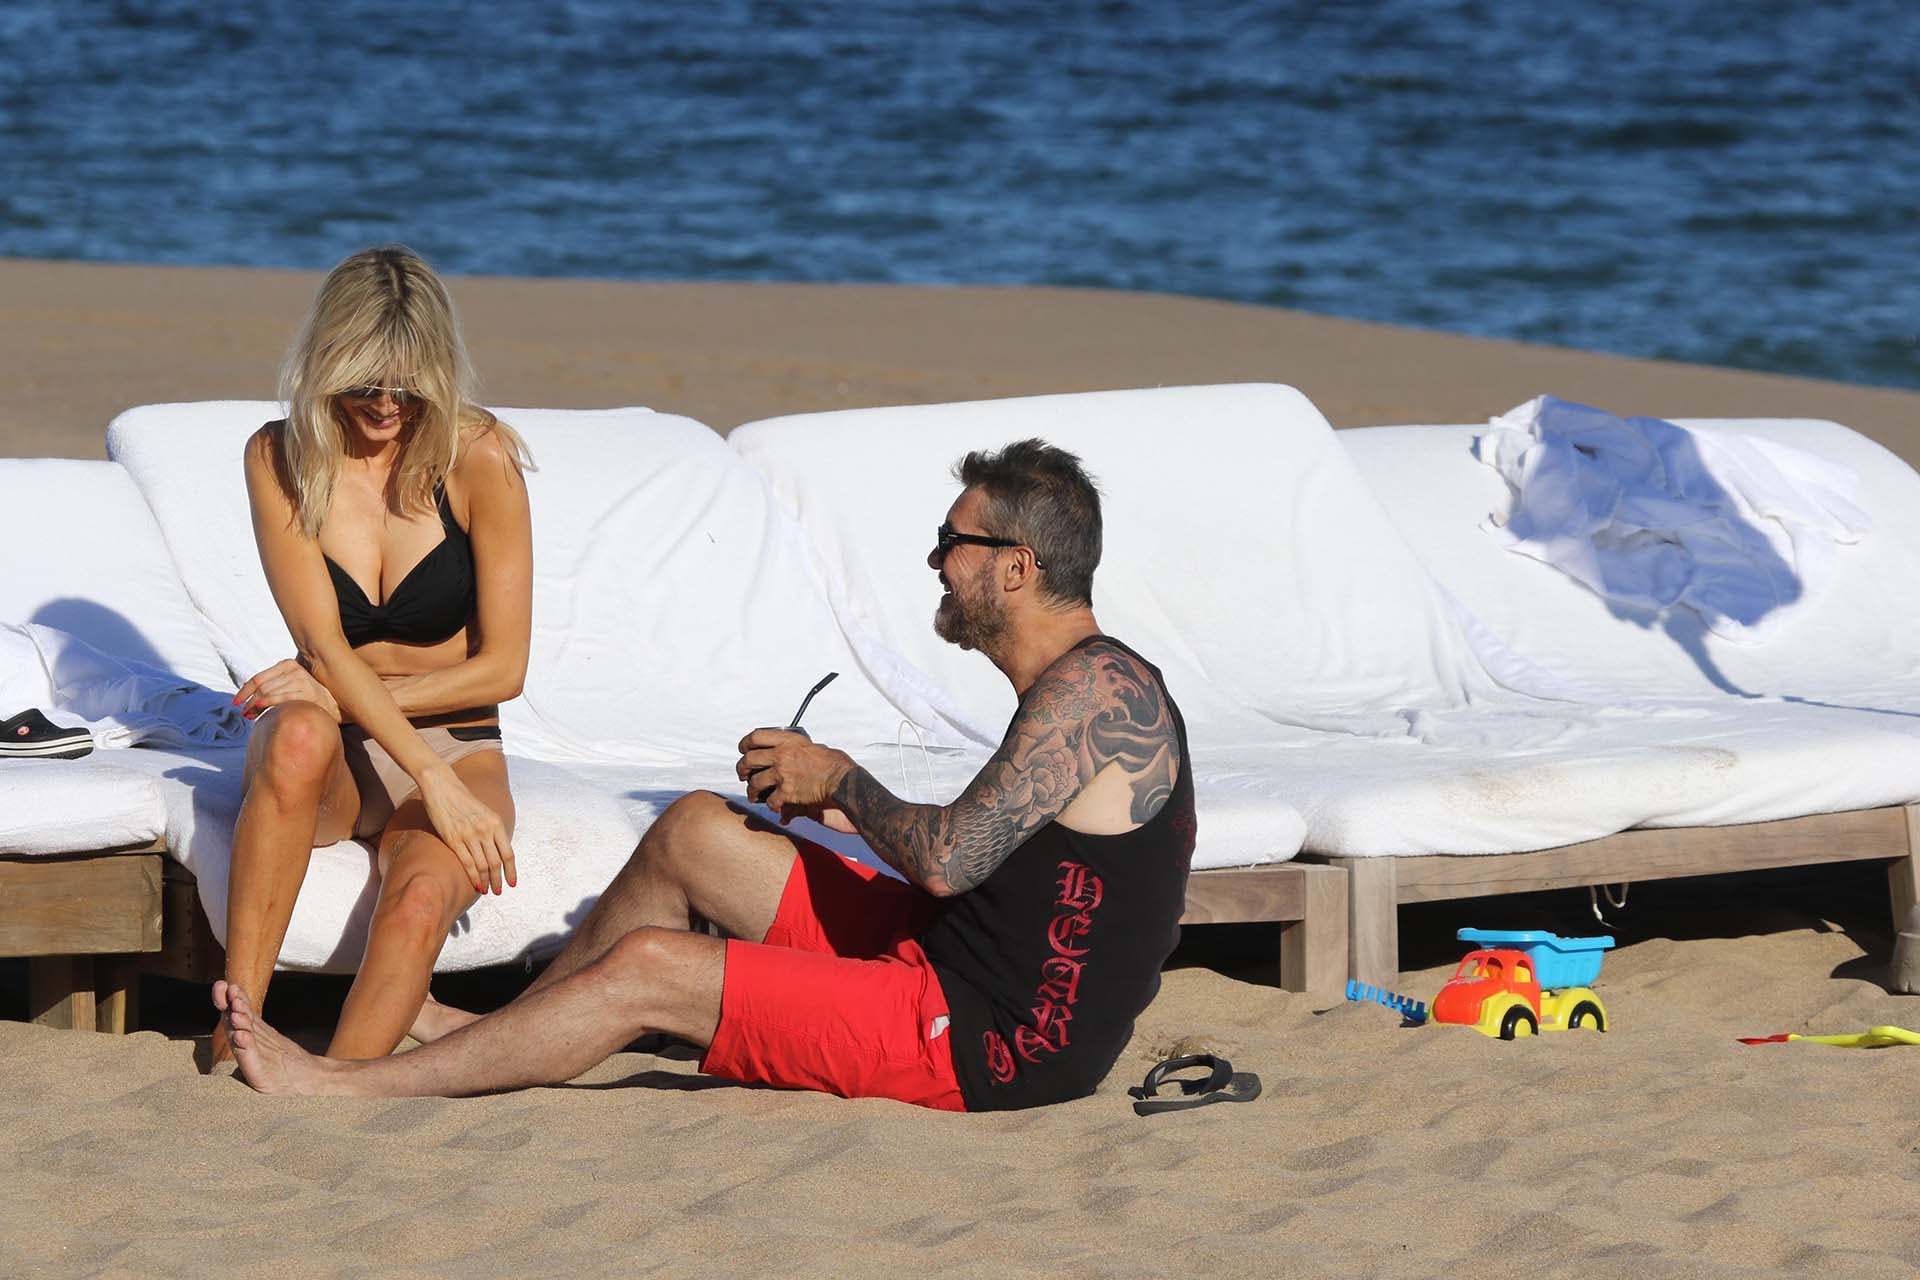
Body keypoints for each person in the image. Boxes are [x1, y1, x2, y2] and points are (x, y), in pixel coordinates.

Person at [218, 439, 1196, 1112]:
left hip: (989, 1039)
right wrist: (843, 810)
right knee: (694, 829)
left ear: (1016, 566)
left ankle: (346, 1087)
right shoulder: (1086, 686)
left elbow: (948, 858)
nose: (937, 561)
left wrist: (843, 780)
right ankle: (511, 1034)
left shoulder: (1093, 696)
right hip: (947, 953)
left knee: (649, 968)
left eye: (956, 542)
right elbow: (993, 853)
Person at [210, 245, 535, 1067]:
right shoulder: (279, 457)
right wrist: (422, 775)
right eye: (363, 384)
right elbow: (321, 641)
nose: (387, 405)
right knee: (293, 734)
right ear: (327, 367)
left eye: (408, 385)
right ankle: (237, 1020)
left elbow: (505, 671)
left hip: (459, 737)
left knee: (422, 893)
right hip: (347, 759)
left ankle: (337, 1083)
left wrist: (342, 694)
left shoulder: (479, 457)